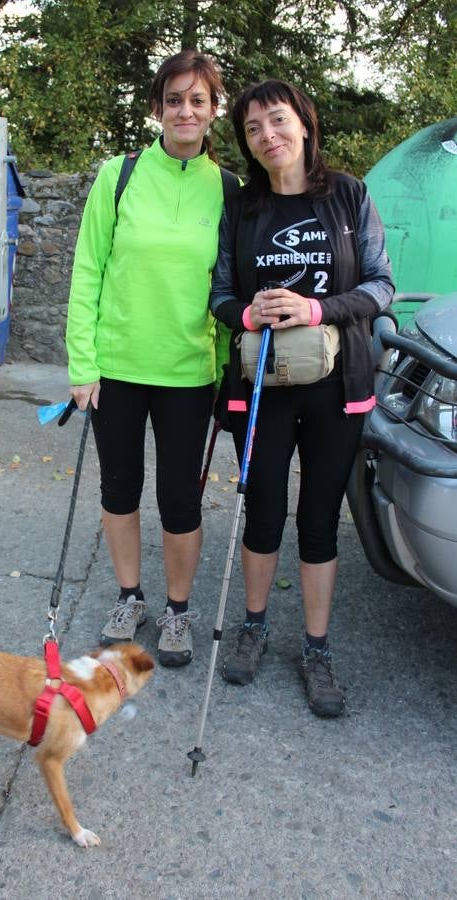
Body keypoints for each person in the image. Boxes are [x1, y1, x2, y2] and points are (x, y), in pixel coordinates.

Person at [210, 79, 393, 715]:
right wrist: (251, 316)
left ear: (305, 124)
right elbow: (219, 297)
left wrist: (316, 308)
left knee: (319, 517)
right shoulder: (242, 207)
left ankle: (315, 647)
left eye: (279, 121)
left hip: (336, 389)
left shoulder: (348, 194)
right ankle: (255, 626)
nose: (269, 136)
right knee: (262, 507)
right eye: (254, 128)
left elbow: (381, 287)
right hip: (263, 384)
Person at [65, 51, 228, 666]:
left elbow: (232, 290)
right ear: (157, 107)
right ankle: (130, 596)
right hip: (117, 369)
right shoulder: (120, 174)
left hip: (190, 373)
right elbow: (88, 270)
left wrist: (229, 375)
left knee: (181, 500)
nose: (184, 110)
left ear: (214, 110)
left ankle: (179, 610)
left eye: (197, 100)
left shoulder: (230, 189)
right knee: (119, 490)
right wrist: (83, 364)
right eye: (173, 99)